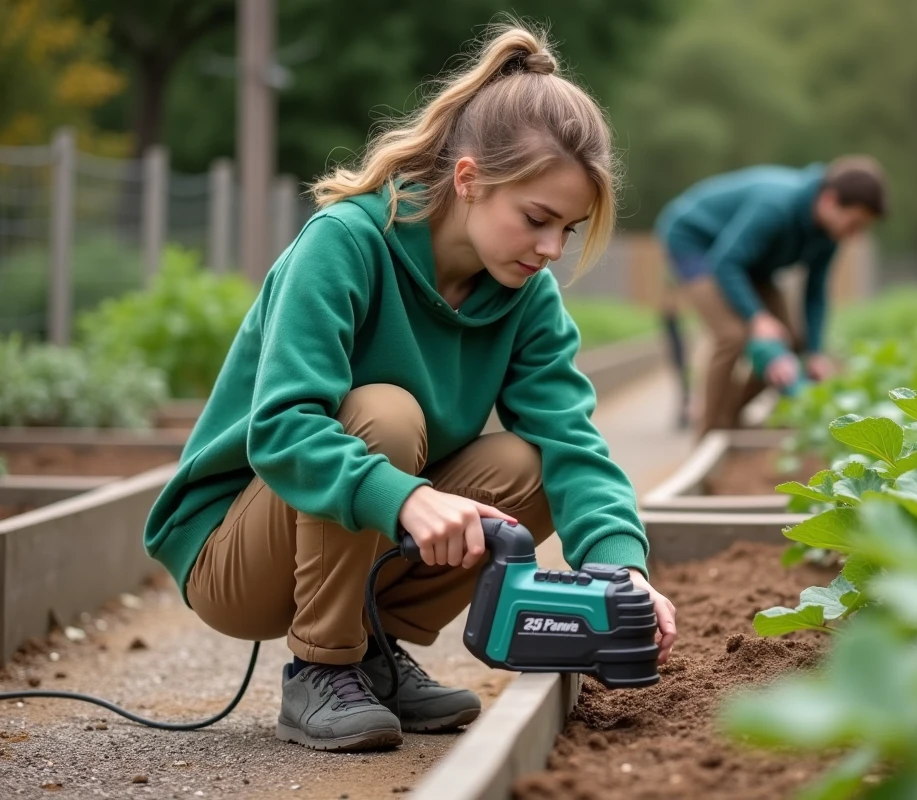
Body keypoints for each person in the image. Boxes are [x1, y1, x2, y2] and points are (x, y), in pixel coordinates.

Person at [142, 22, 676, 753]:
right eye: (537, 220)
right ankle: (319, 670)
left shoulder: (526, 298)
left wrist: (622, 572)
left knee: (534, 466)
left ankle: (373, 654)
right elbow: (282, 429)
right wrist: (407, 497)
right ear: (468, 181)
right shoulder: (347, 244)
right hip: (232, 550)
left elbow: (573, 443)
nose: (552, 249)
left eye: (570, 230)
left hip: (352, 533)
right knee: (381, 415)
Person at [655, 158, 887, 435]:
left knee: (788, 340)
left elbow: (815, 292)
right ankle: (708, 435)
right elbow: (726, 263)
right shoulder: (776, 206)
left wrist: (815, 352)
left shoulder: (828, 235)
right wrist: (757, 317)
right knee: (733, 335)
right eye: (854, 223)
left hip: (746, 262)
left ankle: (729, 420)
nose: (855, 234)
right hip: (695, 242)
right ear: (829, 200)